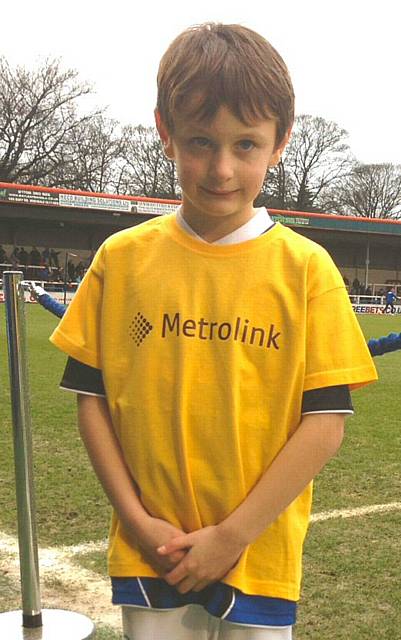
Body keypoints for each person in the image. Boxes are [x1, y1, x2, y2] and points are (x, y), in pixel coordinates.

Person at [50, 23, 377, 640]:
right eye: (200, 141)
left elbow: (326, 423)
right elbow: (91, 404)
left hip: (258, 551)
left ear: (280, 143)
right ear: (164, 132)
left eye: (246, 145)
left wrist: (233, 535)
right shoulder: (121, 260)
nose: (222, 168)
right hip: (153, 549)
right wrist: (139, 522)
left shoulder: (308, 271)